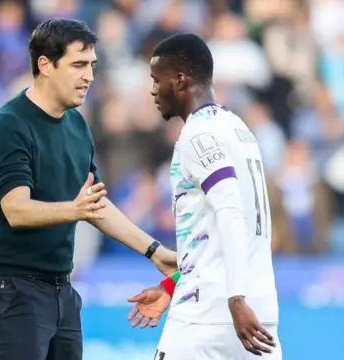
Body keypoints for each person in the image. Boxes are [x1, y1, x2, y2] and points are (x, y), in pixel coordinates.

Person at [0, 19, 177, 360]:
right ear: (45, 65)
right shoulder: (9, 125)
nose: (89, 76)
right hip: (8, 287)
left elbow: (93, 204)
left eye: (92, 66)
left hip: (60, 287)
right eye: (78, 65)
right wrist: (73, 210)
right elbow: (16, 209)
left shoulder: (77, 124)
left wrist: (154, 251)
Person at [126, 33, 281, 359]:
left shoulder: (198, 134)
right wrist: (173, 284)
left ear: (180, 80)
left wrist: (235, 298)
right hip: (261, 311)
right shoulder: (239, 129)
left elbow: (229, 212)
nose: (153, 91)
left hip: (210, 315)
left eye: (157, 80)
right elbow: (220, 236)